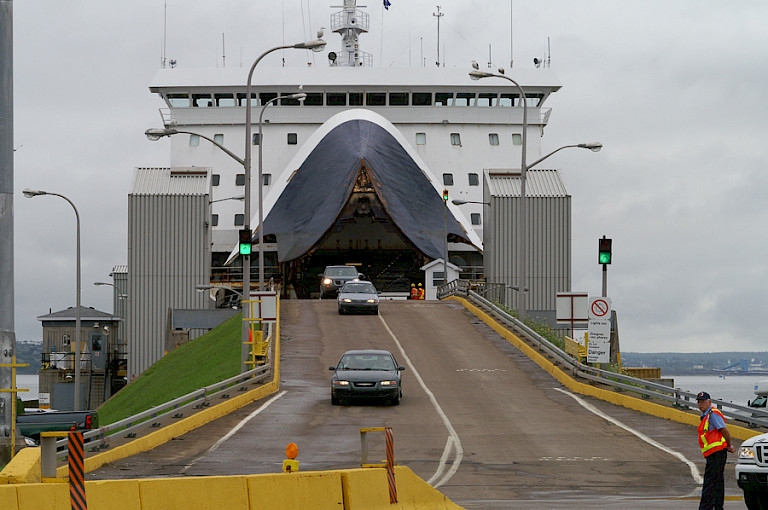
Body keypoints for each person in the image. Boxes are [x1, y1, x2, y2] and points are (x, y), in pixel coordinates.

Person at [696, 391, 736, 510]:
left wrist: (729, 445)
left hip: (717, 453)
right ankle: (718, 506)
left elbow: (724, 430)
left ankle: (706, 507)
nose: (700, 404)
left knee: (710, 482)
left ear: (709, 402)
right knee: (718, 481)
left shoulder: (713, 414)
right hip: (713, 453)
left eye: (703, 402)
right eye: (698, 402)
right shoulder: (706, 416)